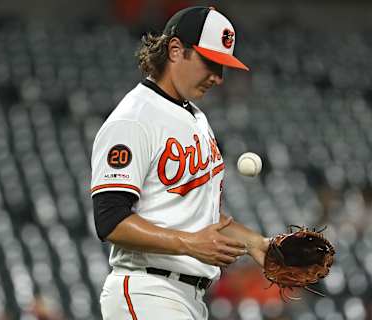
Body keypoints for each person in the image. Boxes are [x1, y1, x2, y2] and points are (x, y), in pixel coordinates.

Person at [90, 6, 269, 319]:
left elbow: (202, 216)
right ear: (175, 50)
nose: (218, 77)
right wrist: (189, 244)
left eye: (223, 67)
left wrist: (256, 243)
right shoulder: (135, 118)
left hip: (188, 298)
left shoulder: (196, 117)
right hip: (147, 290)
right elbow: (110, 220)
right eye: (211, 63)